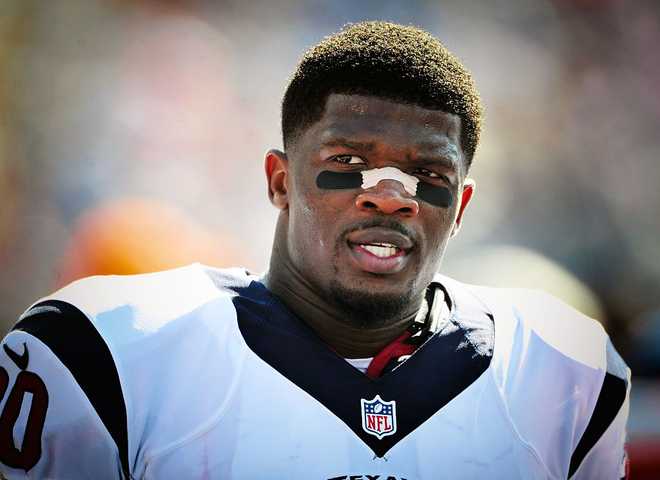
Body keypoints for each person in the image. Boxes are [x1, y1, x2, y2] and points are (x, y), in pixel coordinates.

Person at [0, 22, 629, 479]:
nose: (390, 197)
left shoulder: (563, 373)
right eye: (348, 162)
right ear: (280, 181)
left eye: (427, 174)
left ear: (460, 207)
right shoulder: (105, 354)